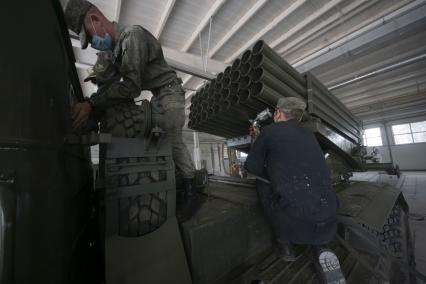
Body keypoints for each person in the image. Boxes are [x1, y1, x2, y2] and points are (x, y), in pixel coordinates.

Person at [64, 0, 197, 198]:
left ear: (95, 20)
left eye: (89, 38)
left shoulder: (132, 36)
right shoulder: (114, 50)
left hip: (171, 93)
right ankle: (171, 178)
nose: (92, 44)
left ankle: (191, 184)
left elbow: (131, 87)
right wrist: (92, 105)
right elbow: (105, 78)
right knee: (154, 140)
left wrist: (92, 104)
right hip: (157, 96)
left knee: (171, 137)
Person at [245, 97, 345, 283]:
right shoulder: (309, 135)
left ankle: (285, 245)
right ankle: (320, 247)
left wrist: (259, 144)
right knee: (309, 188)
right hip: (329, 215)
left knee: (262, 183)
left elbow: (252, 168)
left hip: (292, 223)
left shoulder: (269, 131)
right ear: (298, 118)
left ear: (279, 114)